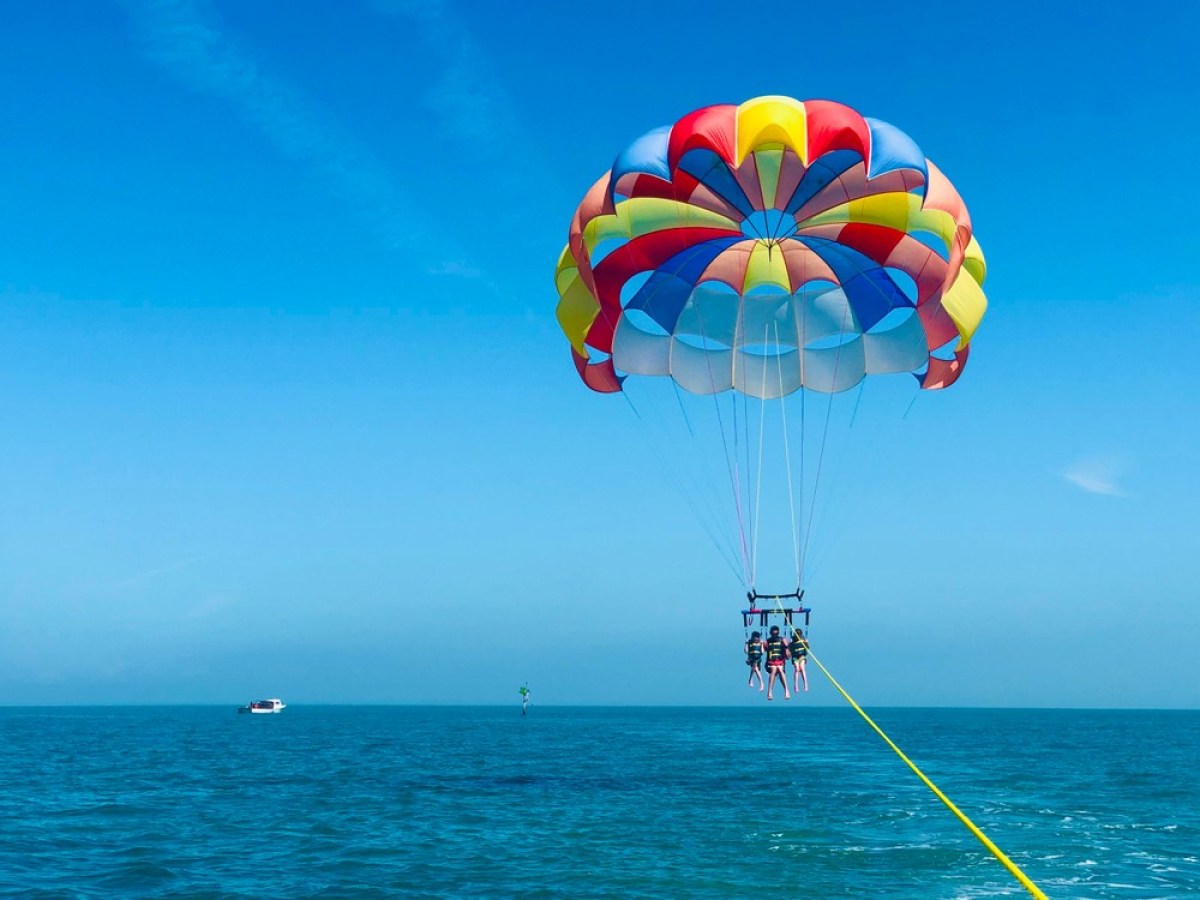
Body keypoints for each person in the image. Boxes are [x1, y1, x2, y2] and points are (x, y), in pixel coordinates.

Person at [764, 625, 791, 701]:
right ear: (770, 633)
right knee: (774, 670)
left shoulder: (782, 641)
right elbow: (763, 651)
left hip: (780, 662)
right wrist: (763, 644)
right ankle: (769, 691)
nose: (775, 636)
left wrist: (786, 646)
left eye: (776, 634)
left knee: (780, 669)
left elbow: (788, 657)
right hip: (771, 663)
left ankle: (786, 690)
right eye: (773, 634)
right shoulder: (768, 641)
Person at [789, 628, 810, 693]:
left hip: (801, 656)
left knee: (802, 669)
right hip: (795, 657)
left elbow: (807, 648)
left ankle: (805, 684)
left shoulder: (803, 641)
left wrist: (806, 642)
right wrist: (789, 644)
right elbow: (789, 648)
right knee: (797, 669)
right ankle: (796, 685)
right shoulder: (792, 642)